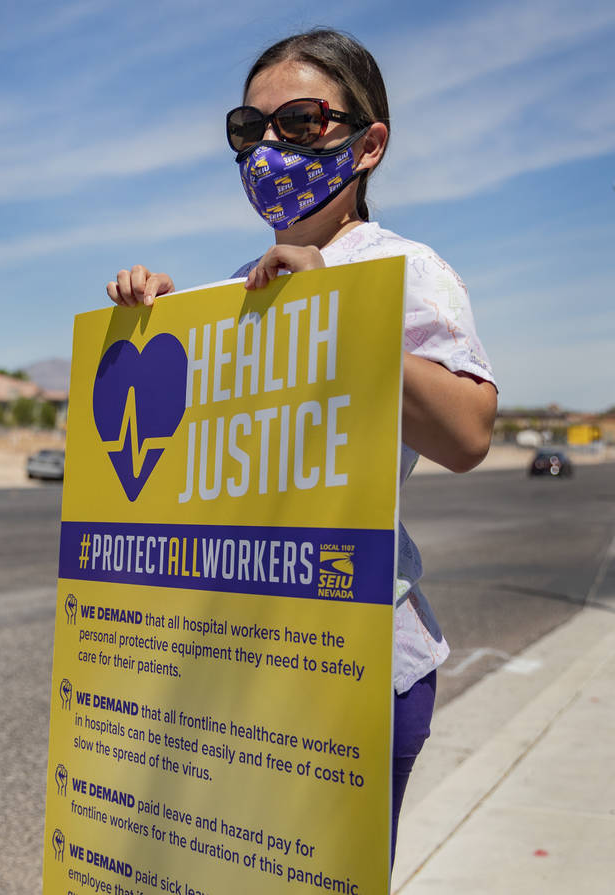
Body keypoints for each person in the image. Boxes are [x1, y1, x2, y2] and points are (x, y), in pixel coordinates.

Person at [105, 29, 498, 862]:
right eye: (251, 128)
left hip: (353, 668)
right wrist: (167, 325)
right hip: (246, 661)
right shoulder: (249, 280)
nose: (271, 147)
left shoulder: (403, 267)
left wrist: (346, 313)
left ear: (370, 142)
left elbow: (468, 433)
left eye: (304, 122)